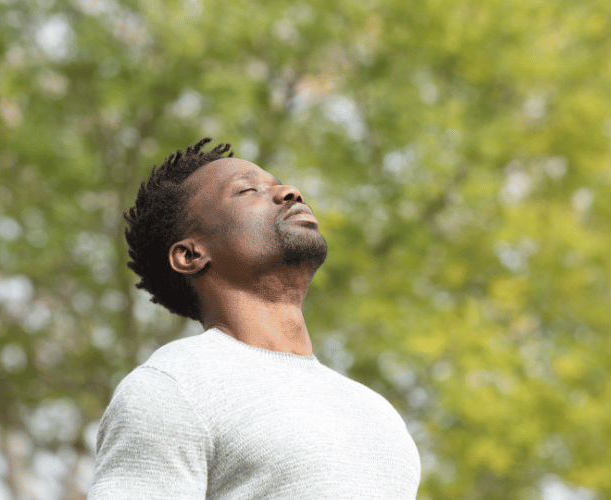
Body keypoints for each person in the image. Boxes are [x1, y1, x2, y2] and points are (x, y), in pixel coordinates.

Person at [87, 138, 421, 499]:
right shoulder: (173, 387)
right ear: (190, 254)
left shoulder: (374, 411)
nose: (289, 192)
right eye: (248, 190)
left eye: (280, 184)